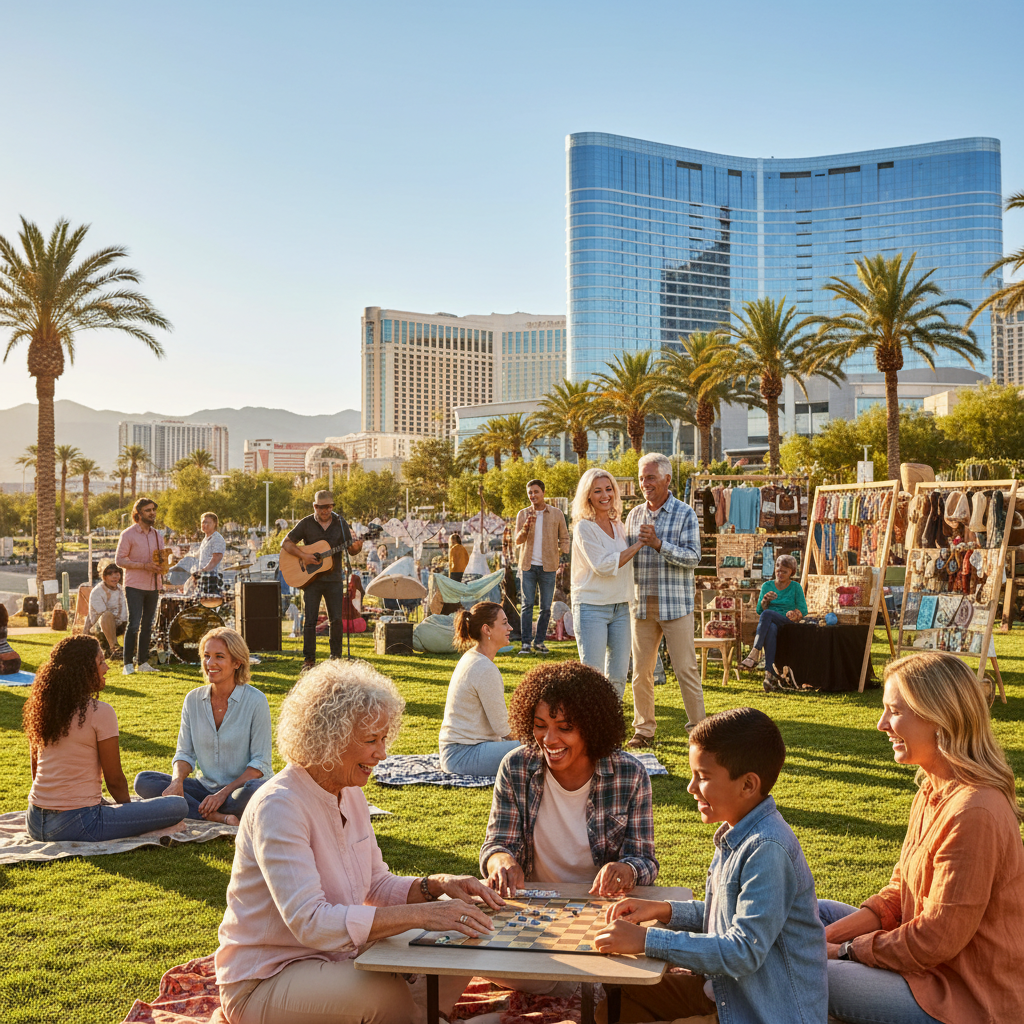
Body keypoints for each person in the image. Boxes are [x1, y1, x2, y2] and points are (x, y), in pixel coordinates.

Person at [214, 659, 503, 1024]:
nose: (383, 753)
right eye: (371, 740)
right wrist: (423, 915)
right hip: (265, 979)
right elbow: (312, 923)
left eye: (384, 738)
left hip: (340, 960)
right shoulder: (279, 806)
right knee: (380, 994)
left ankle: (423, 1016)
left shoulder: (350, 792)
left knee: (464, 933)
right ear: (328, 740)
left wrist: (436, 887)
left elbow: (376, 886)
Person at [819, 653, 1024, 1024]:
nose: (882, 724)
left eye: (894, 712)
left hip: (960, 994)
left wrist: (844, 951)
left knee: (809, 974)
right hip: (925, 965)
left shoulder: (974, 811)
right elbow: (898, 894)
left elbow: (935, 939)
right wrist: (824, 939)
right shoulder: (933, 789)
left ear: (938, 717)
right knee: (814, 913)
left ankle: (707, 992)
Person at [595, 707, 827, 1024]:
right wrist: (662, 910)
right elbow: (725, 915)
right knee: (616, 1004)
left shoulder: (767, 849)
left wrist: (647, 941)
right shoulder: (738, 831)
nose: (691, 788)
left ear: (748, 785)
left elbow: (742, 951)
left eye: (702, 777)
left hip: (759, 1012)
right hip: (725, 992)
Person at [480, 661, 658, 897]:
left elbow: (644, 860)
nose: (549, 739)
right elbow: (497, 844)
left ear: (592, 727)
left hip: (607, 904)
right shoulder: (516, 767)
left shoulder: (630, 774)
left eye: (565, 728)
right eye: (539, 725)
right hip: (534, 903)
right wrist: (500, 861)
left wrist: (627, 869)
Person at [23, 635, 188, 841]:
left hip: (34, 820)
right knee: (177, 805)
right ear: (83, 671)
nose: (106, 667)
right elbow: (115, 780)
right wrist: (129, 813)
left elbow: (35, 767)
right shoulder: (100, 712)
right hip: (79, 822)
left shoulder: (43, 709)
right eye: (101, 661)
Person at [133, 627, 272, 825]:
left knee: (257, 791)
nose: (210, 663)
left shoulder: (256, 701)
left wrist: (222, 794)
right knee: (144, 781)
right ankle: (217, 816)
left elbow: (260, 765)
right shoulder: (193, 700)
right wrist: (177, 782)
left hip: (241, 790)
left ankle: (191, 809)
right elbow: (184, 753)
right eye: (206, 656)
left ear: (237, 663)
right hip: (204, 788)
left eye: (219, 657)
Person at [624, 453, 703, 748]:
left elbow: (694, 558)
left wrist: (660, 545)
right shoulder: (633, 515)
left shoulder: (685, 514)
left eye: (651, 477)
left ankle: (698, 731)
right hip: (641, 606)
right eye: (642, 478)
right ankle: (644, 730)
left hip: (676, 606)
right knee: (641, 673)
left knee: (685, 670)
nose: (645, 483)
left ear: (667, 479)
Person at [570, 468, 644, 698]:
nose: (605, 495)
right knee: (593, 676)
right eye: (598, 491)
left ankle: (611, 729)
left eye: (609, 489)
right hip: (592, 607)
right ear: (588, 496)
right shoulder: (584, 527)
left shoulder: (619, 526)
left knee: (619, 676)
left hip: (621, 607)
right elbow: (602, 566)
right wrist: (640, 544)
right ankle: (590, 730)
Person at [282, 491, 363, 672]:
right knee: (309, 620)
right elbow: (286, 543)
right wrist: (304, 556)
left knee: (336, 620)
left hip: (334, 579)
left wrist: (359, 545)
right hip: (311, 580)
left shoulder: (341, 523)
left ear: (332, 506)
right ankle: (309, 660)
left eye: (327, 507)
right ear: (314, 506)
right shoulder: (306, 523)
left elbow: (352, 551)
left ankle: (336, 659)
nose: (324, 510)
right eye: (320, 507)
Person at [439, 602, 520, 776]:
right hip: (462, 756)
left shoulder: (474, 658)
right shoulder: (484, 668)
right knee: (538, 749)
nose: (510, 628)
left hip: (458, 752)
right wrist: (530, 739)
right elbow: (503, 728)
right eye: (504, 623)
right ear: (487, 629)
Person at [513, 479, 570, 656]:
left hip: (549, 566)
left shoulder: (556, 514)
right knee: (527, 605)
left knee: (546, 607)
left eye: (536, 492)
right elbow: (517, 540)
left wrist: (564, 555)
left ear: (543, 493)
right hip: (527, 566)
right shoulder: (523, 514)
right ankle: (525, 644)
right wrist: (525, 528)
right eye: (530, 492)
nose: (533, 495)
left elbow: (565, 537)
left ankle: (539, 642)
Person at [740, 553, 807, 692]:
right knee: (770, 627)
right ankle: (768, 676)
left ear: (791, 572)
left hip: (787, 623)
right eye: (778, 569)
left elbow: (803, 610)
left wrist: (795, 614)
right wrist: (765, 601)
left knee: (768, 613)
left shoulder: (795, 587)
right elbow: (760, 610)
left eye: (784, 571)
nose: (780, 573)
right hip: (772, 624)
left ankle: (755, 652)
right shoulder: (767, 586)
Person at [115, 496, 165, 676]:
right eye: (148, 510)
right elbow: (119, 560)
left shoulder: (158, 535)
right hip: (134, 585)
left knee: (148, 625)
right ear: (138, 514)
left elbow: (160, 559)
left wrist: (163, 567)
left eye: (153, 510)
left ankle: (143, 662)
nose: (152, 513)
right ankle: (127, 664)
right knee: (134, 624)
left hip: (153, 585)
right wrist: (144, 566)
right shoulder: (128, 534)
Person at [84, 563, 128, 659]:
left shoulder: (121, 589)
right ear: (104, 577)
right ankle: (114, 648)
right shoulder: (97, 591)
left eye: (116, 573)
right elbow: (102, 612)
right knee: (107, 615)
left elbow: (125, 611)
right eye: (110, 574)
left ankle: (132, 648)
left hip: (118, 624)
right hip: (99, 628)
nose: (114, 576)